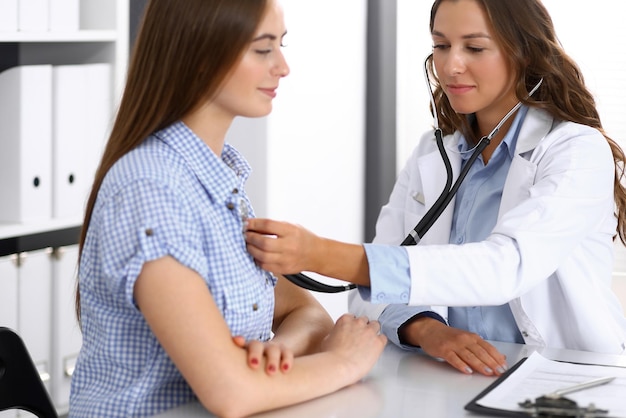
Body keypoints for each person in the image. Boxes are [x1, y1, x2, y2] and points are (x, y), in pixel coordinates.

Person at [245, 0, 626, 378]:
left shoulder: (575, 150)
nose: (450, 65)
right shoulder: (435, 152)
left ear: (525, 53)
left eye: (474, 48)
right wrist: (427, 330)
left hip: (565, 379)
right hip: (450, 378)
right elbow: (370, 301)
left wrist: (319, 253)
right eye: (441, 45)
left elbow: (505, 266)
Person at [69, 0, 387, 416]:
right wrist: (344, 361)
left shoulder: (217, 181)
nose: (283, 67)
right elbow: (231, 394)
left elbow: (304, 311)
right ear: (200, 56)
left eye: (281, 45)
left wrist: (271, 358)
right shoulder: (151, 190)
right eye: (263, 49)